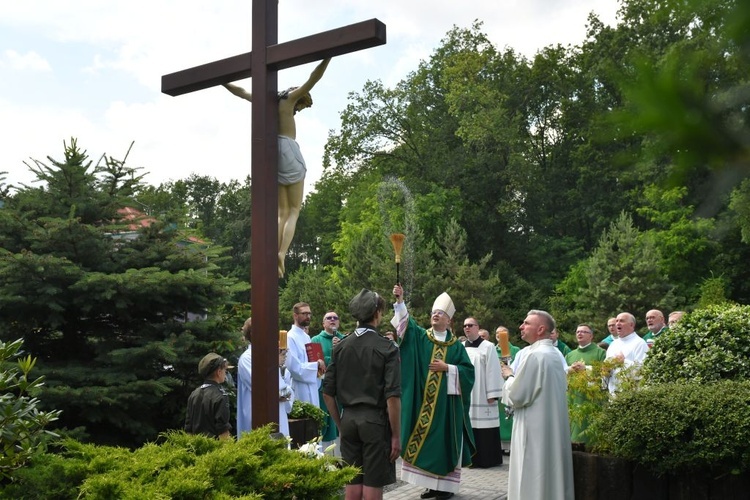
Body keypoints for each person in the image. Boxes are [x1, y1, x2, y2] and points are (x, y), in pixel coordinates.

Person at [223, 58, 331, 277]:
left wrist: (222, 81)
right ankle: (281, 252)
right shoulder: (290, 99)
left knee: (280, 212)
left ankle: (275, 253)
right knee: (293, 210)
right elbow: (314, 78)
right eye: (300, 105)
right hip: (288, 150)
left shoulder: (264, 100)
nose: (298, 109)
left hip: (271, 152)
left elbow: (240, 91)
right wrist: (328, 57)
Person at [391, 284, 475, 500]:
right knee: (425, 445)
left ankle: (445, 488)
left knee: (444, 445)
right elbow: (406, 327)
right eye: (433, 313)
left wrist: (448, 368)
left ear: (449, 320)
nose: (435, 316)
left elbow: (468, 373)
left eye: (440, 313)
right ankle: (431, 486)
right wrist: (400, 302)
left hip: (447, 408)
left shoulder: (456, 346)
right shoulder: (421, 337)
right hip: (423, 405)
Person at [323, 289, 401, 500]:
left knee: (353, 481)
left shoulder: (341, 347)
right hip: (374, 422)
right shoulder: (387, 348)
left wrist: (340, 423)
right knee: (373, 482)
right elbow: (392, 396)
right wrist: (395, 434)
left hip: (348, 419)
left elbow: (327, 392)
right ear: (377, 313)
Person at [500, 310, 574, 500]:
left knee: (531, 473)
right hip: (551, 426)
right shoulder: (554, 354)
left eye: (526, 323)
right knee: (551, 472)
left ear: (541, 329)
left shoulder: (536, 356)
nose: (521, 327)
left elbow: (517, 395)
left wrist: (509, 376)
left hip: (533, 427)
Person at [236, 318, 295, 439]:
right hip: (258, 417)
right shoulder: (247, 358)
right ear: (253, 333)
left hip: (279, 414)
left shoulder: (272, 356)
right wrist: (275, 365)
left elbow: (286, 390)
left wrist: (278, 366)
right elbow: (265, 388)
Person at [462, 317, 503, 468]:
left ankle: (487, 459)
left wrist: (492, 393)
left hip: (483, 393)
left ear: (477, 327)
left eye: (470, 325)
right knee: (469, 426)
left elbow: (493, 370)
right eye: (465, 325)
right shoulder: (461, 347)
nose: (467, 328)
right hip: (467, 394)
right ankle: (470, 459)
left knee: (484, 428)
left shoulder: (488, 346)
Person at [565, 324, 607, 443]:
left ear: (591, 336)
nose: (580, 334)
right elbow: (562, 373)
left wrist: (586, 369)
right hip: (573, 395)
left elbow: (605, 373)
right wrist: (570, 370)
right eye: (578, 331)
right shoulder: (570, 355)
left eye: (584, 331)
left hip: (591, 396)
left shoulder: (600, 353)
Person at [311, 310, 346, 451]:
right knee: (326, 423)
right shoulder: (315, 340)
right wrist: (331, 354)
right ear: (323, 323)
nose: (332, 320)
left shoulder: (345, 339)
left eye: (335, 318)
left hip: (342, 389)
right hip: (323, 389)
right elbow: (315, 367)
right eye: (329, 318)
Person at [185, 352, 233, 440]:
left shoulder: (194, 394)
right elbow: (223, 431)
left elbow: (189, 428)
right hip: (214, 449)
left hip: (195, 447)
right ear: (219, 372)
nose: (225, 374)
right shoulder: (221, 396)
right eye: (225, 371)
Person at [286, 303, 326, 406]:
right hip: (299, 388)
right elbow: (293, 367)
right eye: (304, 313)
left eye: (309, 314)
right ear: (295, 315)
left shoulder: (306, 337)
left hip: (311, 385)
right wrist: (315, 365)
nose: (308, 317)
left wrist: (319, 369)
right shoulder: (290, 337)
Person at [605, 312, 649, 394]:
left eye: (621, 321)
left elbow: (643, 371)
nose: (617, 323)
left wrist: (624, 362)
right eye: (617, 321)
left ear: (631, 325)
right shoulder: (613, 344)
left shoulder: (640, 343)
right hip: (613, 394)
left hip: (632, 394)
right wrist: (605, 370)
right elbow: (606, 369)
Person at [495, 326, 521, 455]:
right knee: (500, 416)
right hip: (497, 386)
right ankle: (499, 445)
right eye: (497, 334)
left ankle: (512, 445)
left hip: (511, 384)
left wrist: (508, 367)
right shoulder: (492, 350)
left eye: (503, 333)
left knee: (510, 415)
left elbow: (520, 367)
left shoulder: (516, 350)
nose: (500, 336)